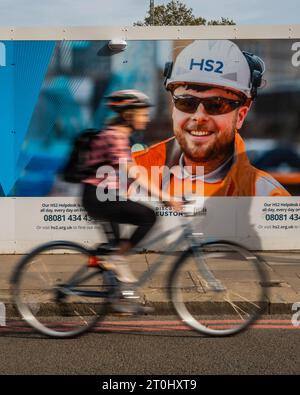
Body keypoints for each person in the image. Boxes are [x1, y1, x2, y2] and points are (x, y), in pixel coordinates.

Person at [133, 40, 290, 197]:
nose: (199, 117)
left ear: (240, 117)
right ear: (174, 109)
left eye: (216, 105)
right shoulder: (133, 178)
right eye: (186, 102)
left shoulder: (268, 196)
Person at [82, 89, 181, 287]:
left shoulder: (116, 135)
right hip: (100, 198)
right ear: (129, 115)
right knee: (148, 217)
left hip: (101, 196)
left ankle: (114, 294)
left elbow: (124, 170)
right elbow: (134, 172)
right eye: (143, 114)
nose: (147, 118)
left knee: (115, 249)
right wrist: (165, 196)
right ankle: (115, 261)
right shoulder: (115, 136)